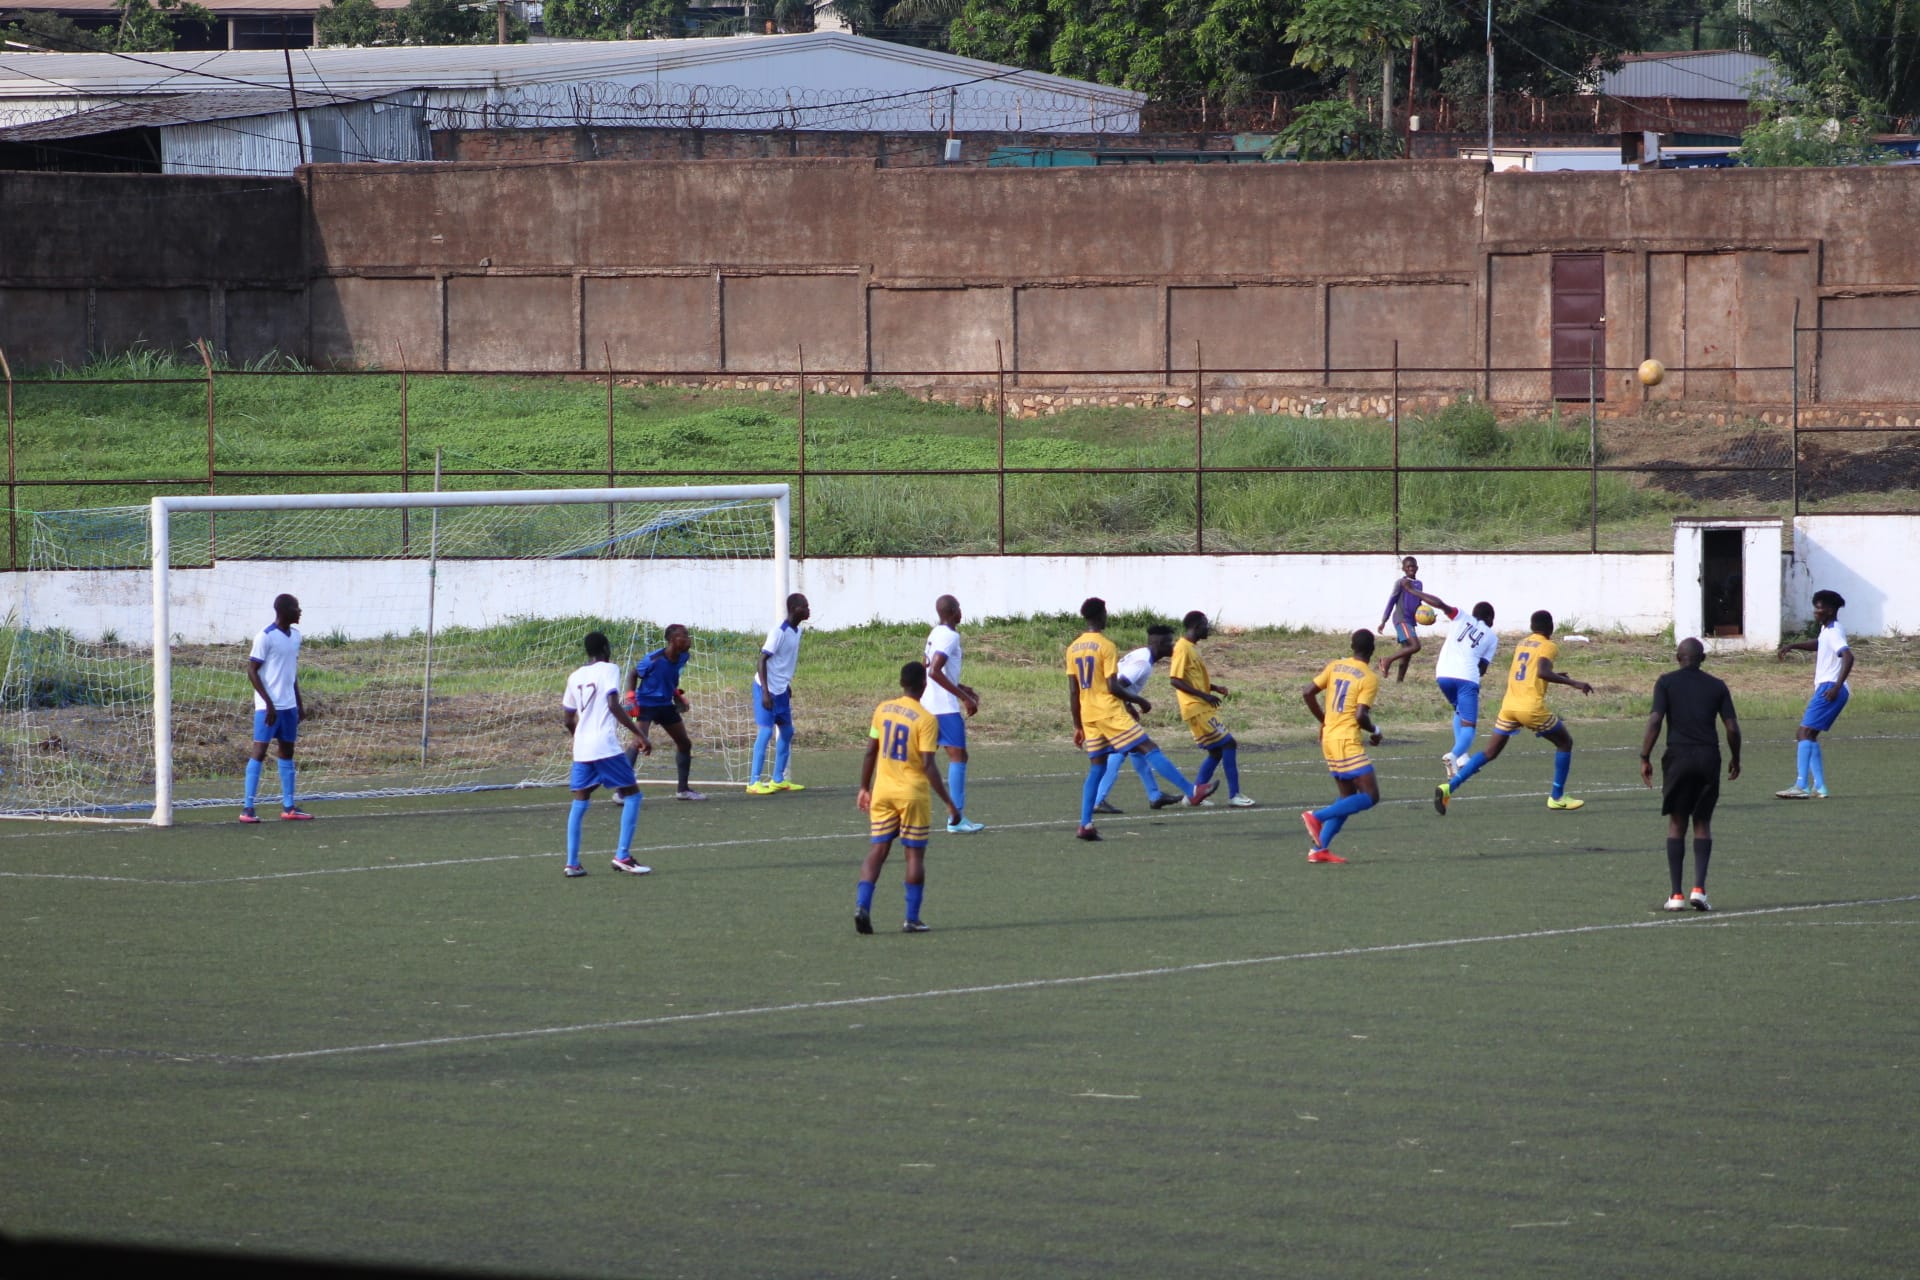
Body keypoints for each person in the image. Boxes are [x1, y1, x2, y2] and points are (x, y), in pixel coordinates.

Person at [1066, 597, 1217, 842]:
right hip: (1109, 711)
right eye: (1105, 612)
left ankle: (1085, 824)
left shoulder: (1073, 647)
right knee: (1148, 747)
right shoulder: (1105, 645)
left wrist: (1077, 725)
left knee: (1097, 767)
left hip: (1089, 714)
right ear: (1100, 615)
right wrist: (1140, 701)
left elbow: (1073, 690)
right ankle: (1192, 791)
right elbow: (1113, 686)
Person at [1434, 609, 1593, 816]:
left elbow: (1528, 671)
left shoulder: (1523, 643)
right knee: (1564, 742)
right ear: (1550, 627)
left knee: (1489, 753)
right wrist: (1574, 683)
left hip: (1509, 707)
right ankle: (1557, 797)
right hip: (1530, 708)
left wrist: (1555, 676)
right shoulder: (1549, 645)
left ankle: (1449, 787)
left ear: (1531, 627)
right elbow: (1542, 671)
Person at [855, 661, 961, 934]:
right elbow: (928, 764)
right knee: (914, 855)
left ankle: (861, 906)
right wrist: (949, 802)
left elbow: (870, 751)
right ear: (924, 686)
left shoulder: (882, 710)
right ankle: (911, 918)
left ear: (901, 683)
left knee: (877, 850)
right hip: (912, 795)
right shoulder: (926, 720)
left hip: (883, 791)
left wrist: (864, 787)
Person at [1640, 637, 1741, 912]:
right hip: (1708, 756)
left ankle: (1675, 895)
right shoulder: (1717, 686)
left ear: (1677, 658)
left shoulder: (1666, 682)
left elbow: (1655, 720)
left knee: (1676, 822)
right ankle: (1699, 889)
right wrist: (1736, 757)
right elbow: (1731, 727)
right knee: (1702, 822)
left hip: (1678, 756)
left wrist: (1645, 756)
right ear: (1703, 659)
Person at [561, 631, 652, 878]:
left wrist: (581, 739)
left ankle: (572, 863)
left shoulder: (574, 676)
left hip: (582, 748)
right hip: (605, 745)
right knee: (632, 794)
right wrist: (639, 734)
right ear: (605, 647)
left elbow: (568, 718)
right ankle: (622, 856)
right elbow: (613, 704)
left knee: (580, 801)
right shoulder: (609, 668)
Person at [1300, 629, 1384, 864]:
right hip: (1347, 740)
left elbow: (1307, 692)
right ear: (1372, 650)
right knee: (1371, 796)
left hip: (1328, 738)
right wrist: (1376, 731)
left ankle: (1319, 849)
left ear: (1351, 646)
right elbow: (1360, 716)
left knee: (1347, 796)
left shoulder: (1336, 665)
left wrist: (1324, 720)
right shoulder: (1368, 677)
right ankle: (1316, 817)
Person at [1168, 610, 1256, 807]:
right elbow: (1175, 680)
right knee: (1229, 744)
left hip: (1202, 707)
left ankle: (1193, 796)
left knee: (1216, 752)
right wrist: (1204, 695)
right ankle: (1235, 795)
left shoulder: (1191, 648)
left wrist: (1214, 688)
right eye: (1206, 624)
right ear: (1196, 626)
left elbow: (1193, 680)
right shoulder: (1182, 648)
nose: (1209, 628)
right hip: (1196, 708)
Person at [1091, 625, 1180, 814]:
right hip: (1109, 709)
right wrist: (1138, 701)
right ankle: (1098, 800)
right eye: (1170, 642)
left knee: (1135, 751)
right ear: (1159, 644)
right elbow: (1117, 686)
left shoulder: (1142, 654)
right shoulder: (1143, 663)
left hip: (1108, 707)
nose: (1173, 646)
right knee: (1122, 750)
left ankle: (1155, 795)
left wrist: (1129, 706)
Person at [240, 593, 313, 823]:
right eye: (296, 607)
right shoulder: (265, 637)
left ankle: (289, 806)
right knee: (259, 752)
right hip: (267, 708)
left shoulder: (296, 636)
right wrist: (269, 703)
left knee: (287, 753)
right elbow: (252, 671)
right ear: (284, 611)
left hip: (289, 706)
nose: (300, 611)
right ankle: (248, 808)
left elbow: (291, 673)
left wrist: (299, 703)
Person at [1776, 588, 1852, 800]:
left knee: (1803, 733)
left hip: (1829, 688)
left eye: (1818, 608)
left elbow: (1848, 656)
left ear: (1828, 610)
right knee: (1810, 735)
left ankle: (1801, 786)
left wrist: (1836, 687)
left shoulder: (1834, 631)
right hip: (1829, 687)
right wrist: (1793, 645)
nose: (1815, 612)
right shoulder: (1828, 629)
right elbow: (1819, 644)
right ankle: (1820, 787)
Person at [922, 595, 984, 834]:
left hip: (929, 705)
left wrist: (962, 687)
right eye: (959, 608)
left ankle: (902, 810)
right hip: (944, 708)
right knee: (958, 757)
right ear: (954, 611)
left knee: (924, 761)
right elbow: (935, 670)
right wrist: (963, 697)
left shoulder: (935, 632)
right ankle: (956, 818)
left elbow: (927, 668)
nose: (961, 612)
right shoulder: (951, 635)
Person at [623, 624, 704, 801]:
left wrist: (677, 697)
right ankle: (621, 792)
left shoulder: (684, 656)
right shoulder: (653, 659)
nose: (688, 639)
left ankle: (683, 790)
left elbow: (669, 678)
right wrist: (630, 698)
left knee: (684, 743)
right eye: (684, 636)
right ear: (673, 640)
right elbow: (632, 674)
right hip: (644, 705)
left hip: (665, 705)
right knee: (638, 742)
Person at [746, 592, 810, 795]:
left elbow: (785, 661)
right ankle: (753, 782)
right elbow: (762, 660)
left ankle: (778, 779)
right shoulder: (779, 632)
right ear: (794, 609)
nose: (809, 610)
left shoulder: (797, 631)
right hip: (766, 689)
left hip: (781, 690)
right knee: (765, 732)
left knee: (787, 731)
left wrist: (786, 683)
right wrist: (765, 692)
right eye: (805, 607)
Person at [1433, 601, 1500, 777]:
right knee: (1469, 726)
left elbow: (1440, 604)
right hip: (1466, 678)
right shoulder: (1492, 637)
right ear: (1490, 618)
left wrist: (1415, 592)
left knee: (1459, 711)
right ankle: (1453, 755)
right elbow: (1482, 669)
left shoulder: (1461, 617)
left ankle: (1462, 758)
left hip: (1443, 674)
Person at [1377, 555, 1458, 683]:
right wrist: (1383, 621)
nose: (1411, 568)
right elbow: (1391, 601)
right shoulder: (1401, 583)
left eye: (1413, 566)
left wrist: (1427, 616)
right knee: (1415, 645)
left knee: (1407, 653)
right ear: (1403, 568)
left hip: (1411, 620)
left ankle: (1399, 682)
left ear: (1417, 567)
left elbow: (1418, 602)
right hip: (1401, 619)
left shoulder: (1419, 584)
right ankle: (1387, 660)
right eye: (1408, 566)